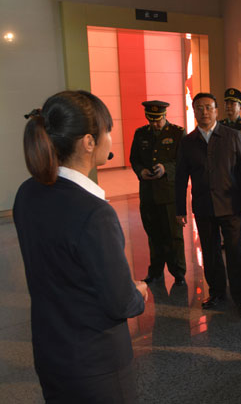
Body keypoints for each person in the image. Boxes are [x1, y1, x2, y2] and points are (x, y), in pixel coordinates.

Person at [14, 91, 148, 403]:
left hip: (51, 352)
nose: (111, 138)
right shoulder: (94, 212)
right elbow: (120, 303)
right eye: (108, 130)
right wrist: (137, 293)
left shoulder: (27, 193)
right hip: (95, 365)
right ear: (89, 142)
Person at [175, 92, 241, 318]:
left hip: (231, 205)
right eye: (199, 108)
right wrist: (180, 209)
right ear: (194, 111)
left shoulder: (232, 136)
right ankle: (217, 292)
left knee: (236, 253)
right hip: (204, 206)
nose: (204, 112)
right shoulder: (188, 142)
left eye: (209, 107)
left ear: (216, 111)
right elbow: (180, 177)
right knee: (210, 253)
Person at [130, 100, 186, 285]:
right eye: (151, 120)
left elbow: (183, 162)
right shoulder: (140, 134)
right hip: (148, 193)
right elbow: (134, 159)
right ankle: (155, 272)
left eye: (158, 120)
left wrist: (165, 168)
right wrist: (141, 172)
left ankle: (178, 273)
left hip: (169, 194)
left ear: (165, 116)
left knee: (174, 236)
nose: (155, 124)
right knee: (154, 236)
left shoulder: (177, 133)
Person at [220, 88, 241, 252]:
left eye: (232, 103)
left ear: (240, 107)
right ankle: (228, 239)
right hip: (226, 174)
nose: (229, 106)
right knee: (226, 208)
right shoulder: (220, 125)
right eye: (227, 103)